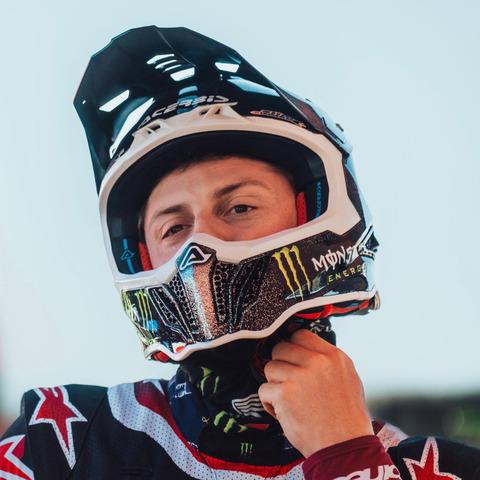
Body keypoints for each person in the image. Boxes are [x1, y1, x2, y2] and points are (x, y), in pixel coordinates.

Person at [1, 26, 479, 480]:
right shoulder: (63, 439)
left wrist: (345, 454)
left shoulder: (441, 468)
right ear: (141, 258)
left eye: (240, 207)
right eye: (174, 227)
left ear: (313, 214)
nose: (200, 244)